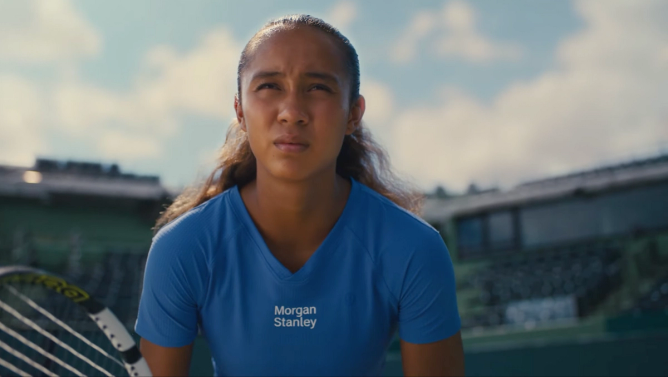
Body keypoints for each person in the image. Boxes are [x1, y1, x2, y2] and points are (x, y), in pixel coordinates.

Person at [135, 14, 464, 377]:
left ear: (354, 114)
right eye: (269, 86)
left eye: (318, 88)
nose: (292, 113)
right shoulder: (181, 250)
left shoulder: (414, 250)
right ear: (240, 111)